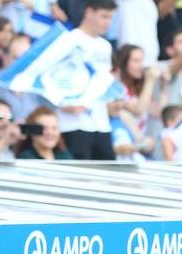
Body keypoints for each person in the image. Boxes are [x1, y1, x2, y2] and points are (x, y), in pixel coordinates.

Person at [57, 0, 117, 160]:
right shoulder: (68, 40)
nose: (107, 22)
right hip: (74, 121)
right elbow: (51, 75)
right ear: (89, 12)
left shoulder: (106, 46)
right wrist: (61, 103)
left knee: (109, 170)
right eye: (104, 16)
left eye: (110, 17)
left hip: (101, 121)